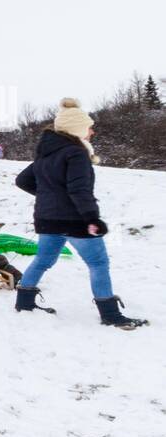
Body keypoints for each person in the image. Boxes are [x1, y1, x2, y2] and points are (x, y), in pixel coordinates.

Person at [14, 98, 147, 328]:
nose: (92, 131)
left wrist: (49, 197)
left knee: (43, 260)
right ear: (76, 129)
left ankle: (24, 303)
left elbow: (22, 180)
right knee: (98, 264)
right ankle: (110, 315)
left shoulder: (45, 153)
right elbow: (79, 189)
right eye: (88, 127)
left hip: (47, 220)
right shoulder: (75, 153)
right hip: (75, 221)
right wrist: (92, 219)